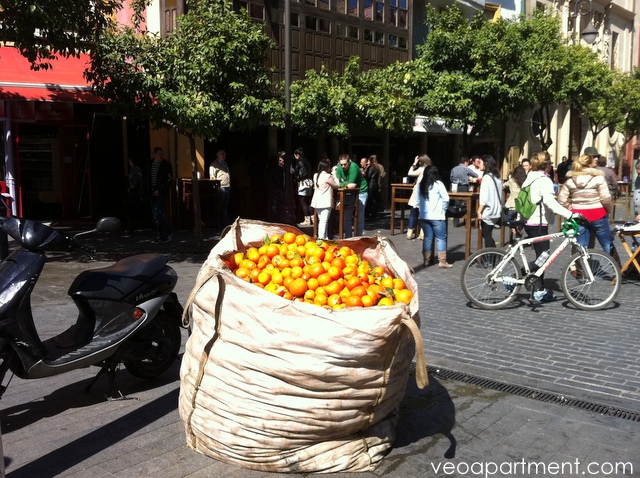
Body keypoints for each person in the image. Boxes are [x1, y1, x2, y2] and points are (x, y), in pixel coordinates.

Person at [521, 152, 573, 303]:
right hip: (538, 222)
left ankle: (539, 288)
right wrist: (569, 214)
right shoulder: (544, 180)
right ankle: (524, 281)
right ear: (548, 166)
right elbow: (550, 202)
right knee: (543, 257)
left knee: (542, 256)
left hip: (529, 221)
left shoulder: (530, 177)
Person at [557, 153, 613, 254]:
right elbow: (606, 198)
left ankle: (581, 268)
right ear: (591, 164)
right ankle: (611, 264)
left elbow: (561, 199)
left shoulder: (570, 180)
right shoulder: (599, 178)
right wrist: (608, 209)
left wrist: (570, 209)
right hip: (597, 213)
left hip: (578, 215)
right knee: (606, 243)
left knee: (581, 245)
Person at [417, 165, 452, 268]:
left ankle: (426, 260)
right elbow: (446, 199)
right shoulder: (438, 184)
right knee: (441, 238)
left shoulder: (420, 185)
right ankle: (442, 261)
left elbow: (418, 201)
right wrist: (443, 210)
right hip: (437, 215)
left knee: (427, 237)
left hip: (424, 215)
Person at [335, 154, 368, 237]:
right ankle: (348, 238)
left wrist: (341, 184)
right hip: (348, 193)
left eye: (345, 164)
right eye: (341, 164)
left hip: (361, 191)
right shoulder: (339, 167)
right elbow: (338, 182)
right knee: (346, 217)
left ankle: (359, 238)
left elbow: (351, 185)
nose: (343, 166)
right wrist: (343, 184)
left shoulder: (354, 167)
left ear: (349, 162)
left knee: (359, 217)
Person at [476, 155, 503, 248]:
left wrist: (479, 211)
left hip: (488, 211)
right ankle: (493, 255)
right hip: (497, 210)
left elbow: (484, 198)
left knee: (486, 235)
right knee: (487, 234)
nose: (479, 165)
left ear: (486, 164)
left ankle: (491, 257)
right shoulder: (498, 178)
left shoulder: (487, 178)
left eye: (480, 163)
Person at [148, 147, 173, 243]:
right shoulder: (150, 164)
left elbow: (168, 180)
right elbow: (148, 178)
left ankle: (166, 233)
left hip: (160, 192)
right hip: (151, 191)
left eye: (162, 154)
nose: (161, 156)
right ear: (154, 154)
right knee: (155, 214)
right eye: (159, 154)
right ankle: (161, 235)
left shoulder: (166, 165)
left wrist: (160, 190)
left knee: (158, 211)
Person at [310, 158, 339, 240]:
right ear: (327, 168)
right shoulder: (328, 176)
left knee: (321, 221)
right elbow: (337, 185)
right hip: (326, 202)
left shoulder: (315, 175)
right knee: (324, 221)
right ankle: (321, 238)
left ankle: (324, 238)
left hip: (317, 201)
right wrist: (335, 175)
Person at [406, 154, 431, 239]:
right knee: (423, 213)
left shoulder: (421, 169)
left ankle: (409, 233)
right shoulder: (430, 169)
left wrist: (414, 163)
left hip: (417, 192)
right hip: (426, 192)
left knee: (413, 213)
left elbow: (410, 173)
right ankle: (422, 233)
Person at [449, 156, 478, 227]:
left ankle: (456, 223)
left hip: (455, 187)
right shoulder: (466, 169)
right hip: (464, 187)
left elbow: (451, 178)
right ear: (466, 162)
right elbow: (475, 175)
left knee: (456, 204)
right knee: (465, 204)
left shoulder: (454, 169)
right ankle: (466, 222)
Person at [504, 165, 527, 239]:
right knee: (521, 220)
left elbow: (504, 185)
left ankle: (513, 228)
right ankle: (519, 231)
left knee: (508, 220)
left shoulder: (511, 180)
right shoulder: (526, 181)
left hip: (512, 205)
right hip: (522, 205)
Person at [209, 149, 231, 229]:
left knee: (225, 206)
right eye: (222, 154)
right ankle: (217, 223)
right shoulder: (214, 164)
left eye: (225, 154)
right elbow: (212, 177)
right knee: (219, 206)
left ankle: (225, 223)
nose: (224, 155)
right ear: (218, 155)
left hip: (227, 186)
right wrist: (216, 187)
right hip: (221, 187)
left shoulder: (225, 164)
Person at [293, 147, 314, 226]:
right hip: (309, 182)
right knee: (309, 201)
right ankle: (313, 218)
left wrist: (296, 176)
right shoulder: (307, 161)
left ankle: (307, 219)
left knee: (303, 201)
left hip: (302, 183)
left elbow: (297, 172)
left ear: (297, 155)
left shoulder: (299, 162)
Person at [124, 157, 144, 236]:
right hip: (136, 192)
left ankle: (131, 227)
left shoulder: (134, 169)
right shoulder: (138, 169)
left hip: (134, 192)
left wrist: (131, 188)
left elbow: (136, 180)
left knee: (130, 210)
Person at [266, 152, 285, 222]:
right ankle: (276, 218)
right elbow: (278, 180)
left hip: (271, 189)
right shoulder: (278, 169)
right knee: (277, 205)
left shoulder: (268, 169)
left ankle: (272, 218)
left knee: (272, 204)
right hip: (277, 189)